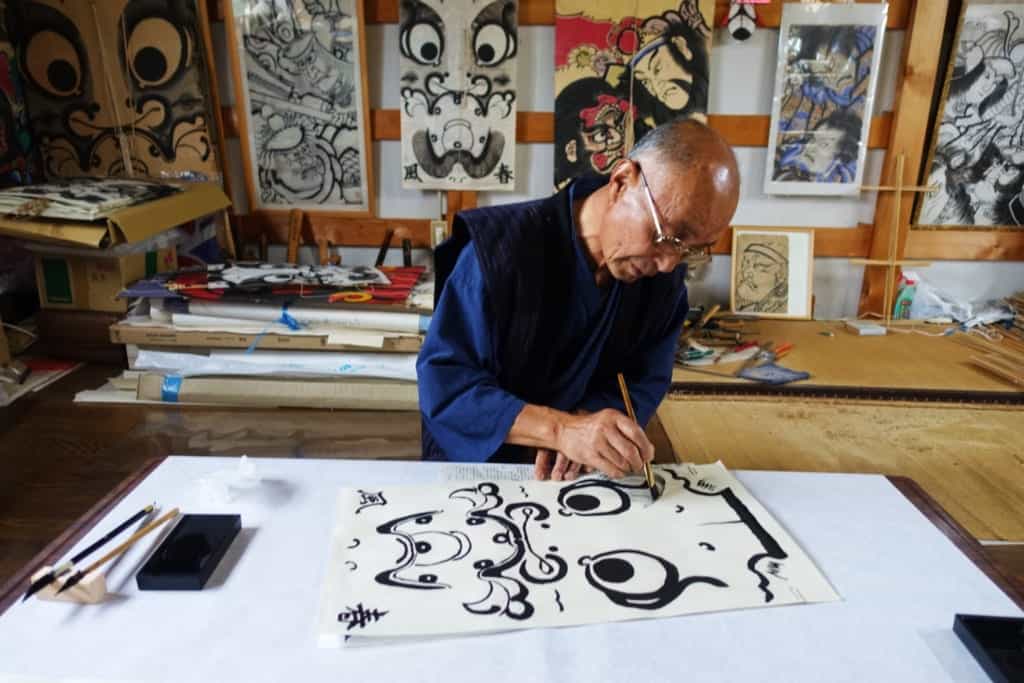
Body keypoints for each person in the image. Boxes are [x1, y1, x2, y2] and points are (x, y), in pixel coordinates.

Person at [417, 119, 740, 481]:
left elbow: (644, 380)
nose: (668, 264)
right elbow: (446, 387)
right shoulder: (500, 251)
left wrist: (597, 429)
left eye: (690, 250)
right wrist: (561, 430)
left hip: (581, 476)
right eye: (667, 235)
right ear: (621, 182)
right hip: (479, 470)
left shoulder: (663, 280)